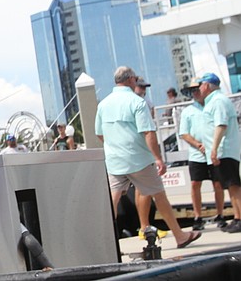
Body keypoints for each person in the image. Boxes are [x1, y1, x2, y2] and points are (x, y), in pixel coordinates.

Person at [95, 66, 200, 248]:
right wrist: (158, 158)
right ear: (130, 79)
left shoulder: (103, 104)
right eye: (135, 79)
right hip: (138, 159)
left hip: (115, 160)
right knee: (159, 195)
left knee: (113, 200)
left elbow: (99, 133)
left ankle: (102, 243)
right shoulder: (137, 102)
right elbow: (148, 133)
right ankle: (180, 236)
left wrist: (114, 145)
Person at [178, 82, 226, 230]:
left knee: (218, 184)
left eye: (197, 89)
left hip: (213, 152)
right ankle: (198, 217)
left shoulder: (213, 106)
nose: (195, 93)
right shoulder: (187, 111)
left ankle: (220, 215)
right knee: (195, 184)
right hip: (196, 155)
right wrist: (197, 144)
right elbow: (184, 133)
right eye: (192, 90)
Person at [198, 72, 241, 234]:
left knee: (233, 185)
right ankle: (237, 217)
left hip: (224, 150)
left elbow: (221, 125)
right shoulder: (215, 101)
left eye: (200, 85)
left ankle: (240, 218)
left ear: (206, 86)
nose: (199, 88)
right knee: (230, 186)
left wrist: (214, 148)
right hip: (222, 150)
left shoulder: (218, 101)